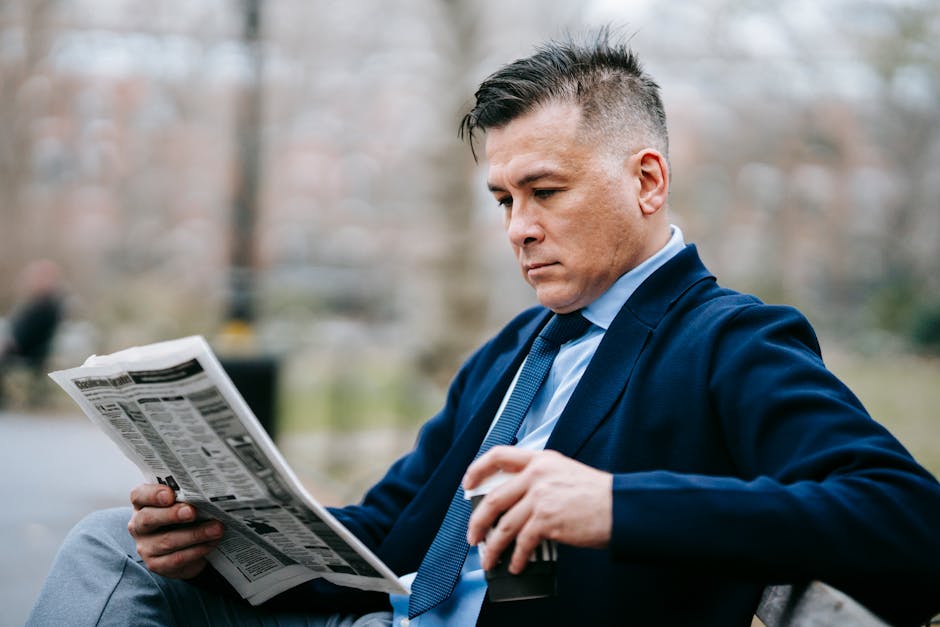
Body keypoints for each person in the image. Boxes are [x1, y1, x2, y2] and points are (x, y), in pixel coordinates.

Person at [28, 30, 940, 627]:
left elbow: (912, 525)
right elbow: (387, 534)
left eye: (545, 191)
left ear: (648, 181)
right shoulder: (514, 351)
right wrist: (225, 533)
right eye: (503, 198)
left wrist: (614, 504)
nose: (518, 227)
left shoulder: (731, 342)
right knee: (117, 546)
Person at [0, 259, 64, 406]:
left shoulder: (46, 306)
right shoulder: (36, 304)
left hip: (29, 353)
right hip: (20, 349)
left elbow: (24, 338)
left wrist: (7, 345)